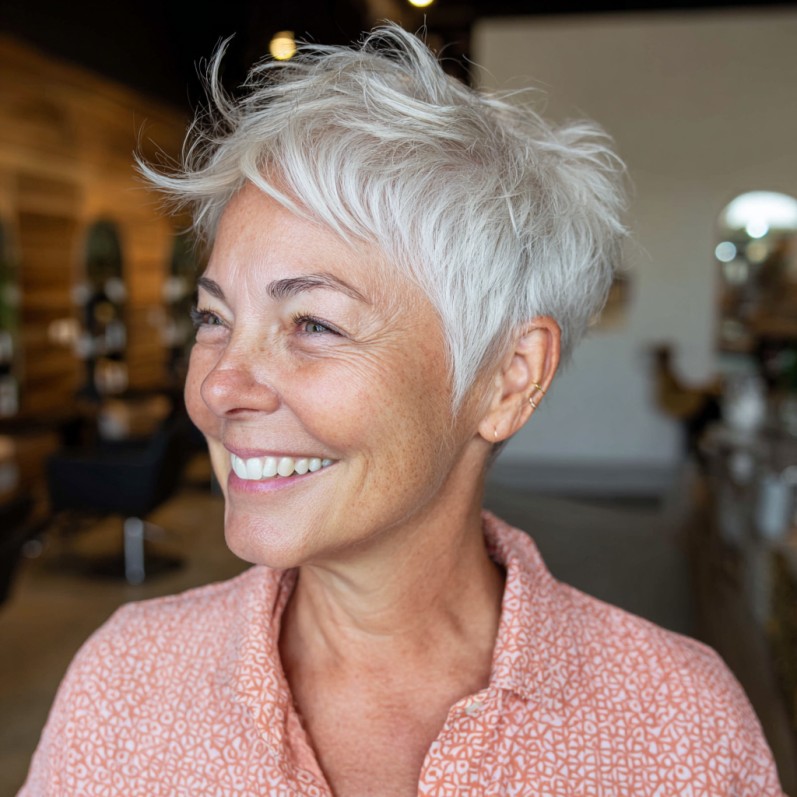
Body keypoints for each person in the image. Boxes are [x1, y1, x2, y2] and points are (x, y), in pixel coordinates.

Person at [21, 25, 784, 797]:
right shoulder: (123, 682)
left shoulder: (680, 729)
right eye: (213, 318)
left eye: (313, 325)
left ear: (508, 378)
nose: (220, 386)